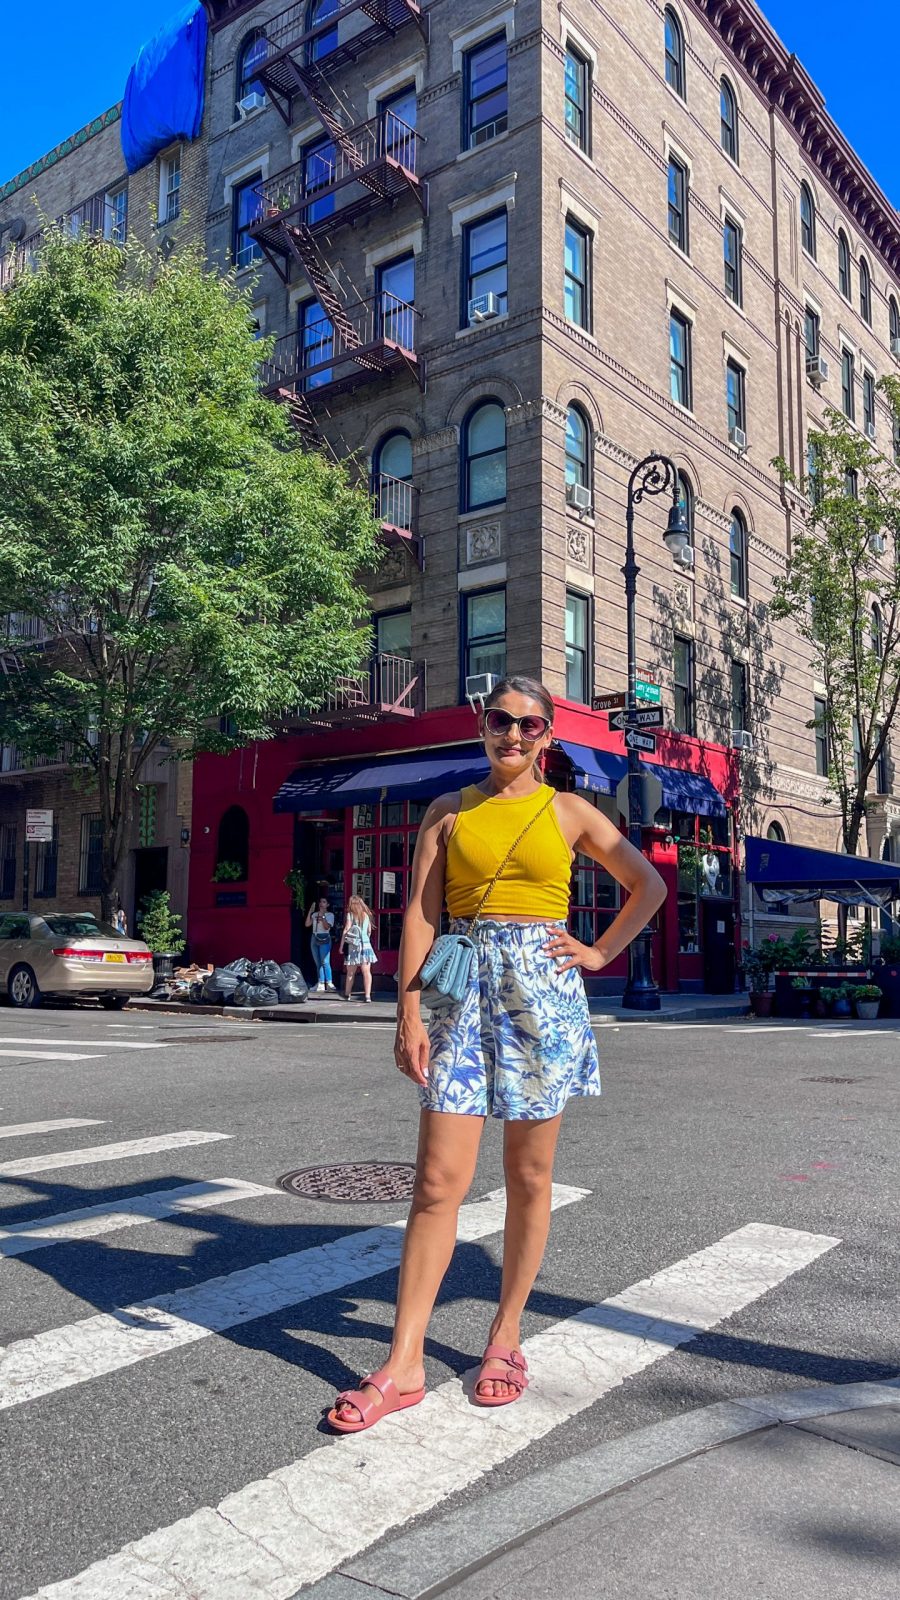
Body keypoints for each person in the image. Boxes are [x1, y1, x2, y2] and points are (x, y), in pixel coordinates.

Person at [328, 674, 667, 1433]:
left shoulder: (571, 811)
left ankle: (505, 1337)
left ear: (549, 735)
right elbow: (420, 914)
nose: (513, 735)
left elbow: (645, 885)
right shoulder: (447, 813)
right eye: (500, 721)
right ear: (483, 726)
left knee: (527, 1174)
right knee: (437, 1179)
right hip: (459, 990)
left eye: (530, 724)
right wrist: (406, 1010)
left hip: (539, 995)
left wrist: (599, 951)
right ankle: (404, 1361)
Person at [339, 895, 377, 1001]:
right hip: (366, 946)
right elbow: (369, 931)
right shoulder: (366, 915)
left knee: (350, 972)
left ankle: (347, 994)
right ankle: (367, 996)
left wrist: (342, 946)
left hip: (353, 946)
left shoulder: (350, 915)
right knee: (366, 972)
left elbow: (346, 929)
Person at [305, 896, 336, 993]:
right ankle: (321, 982)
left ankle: (329, 982)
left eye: (324, 902)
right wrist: (310, 912)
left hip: (324, 936)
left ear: (327, 905)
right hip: (315, 936)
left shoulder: (330, 915)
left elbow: (327, 927)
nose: (321, 904)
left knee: (325, 961)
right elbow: (307, 924)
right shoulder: (315, 914)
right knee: (318, 962)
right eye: (320, 902)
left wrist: (322, 916)